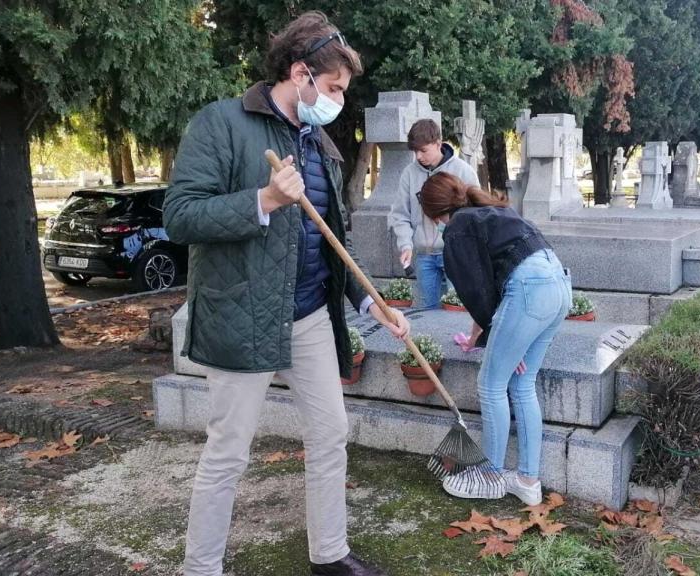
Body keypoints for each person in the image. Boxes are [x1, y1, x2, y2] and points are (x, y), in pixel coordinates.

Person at [164, 12, 409, 576]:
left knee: (331, 434)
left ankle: (330, 554)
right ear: (300, 73)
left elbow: (330, 243)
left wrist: (372, 304)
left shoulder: (320, 144)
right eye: (333, 88)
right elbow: (179, 216)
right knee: (228, 451)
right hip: (243, 314)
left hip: (309, 317)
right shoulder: (222, 124)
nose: (338, 101)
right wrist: (265, 200)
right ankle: (200, 568)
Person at [416, 172, 572, 505]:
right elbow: (486, 291)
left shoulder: (457, 229)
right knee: (523, 384)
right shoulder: (489, 211)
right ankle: (528, 481)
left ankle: (490, 476)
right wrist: (482, 337)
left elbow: (479, 294)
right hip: (559, 286)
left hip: (530, 292)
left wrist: (500, 342)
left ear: (432, 212)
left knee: (490, 385)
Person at [387, 119, 481, 308]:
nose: (419, 156)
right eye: (415, 151)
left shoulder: (463, 171)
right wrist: (406, 244)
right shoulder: (409, 173)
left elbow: (477, 213)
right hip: (424, 255)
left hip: (455, 254)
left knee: (459, 308)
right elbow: (400, 214)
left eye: (423, 150)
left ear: (438, 143)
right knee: (426, 311)